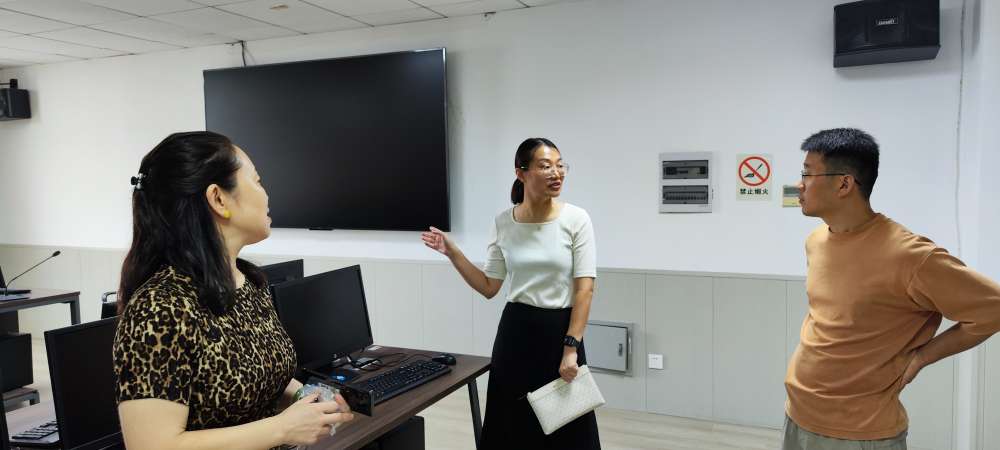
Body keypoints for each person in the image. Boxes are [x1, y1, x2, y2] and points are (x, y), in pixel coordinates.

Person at [113, 131, 354, 450]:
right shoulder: (159, 308)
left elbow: (257, 378)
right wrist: (282, 428)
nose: (266, 194)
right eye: (257, 181)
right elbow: (152, 446)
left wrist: (303, 396)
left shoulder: (248, 282)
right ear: (218, 199)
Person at [783, 128, 1000, 449]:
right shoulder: (816, 241)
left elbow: (993, 309)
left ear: (844, 184)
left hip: (860, 431)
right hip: (798, 413)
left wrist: (922, 357)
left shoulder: (910, 256)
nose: (799, 184)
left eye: (807, 174)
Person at [422, 137, 601, 449]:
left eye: (560, 166)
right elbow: (489, 286)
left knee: (569, 429)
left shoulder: (576, 219)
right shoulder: (504, 222)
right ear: (521, 173)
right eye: (545, 166)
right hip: (516, 333)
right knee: (510, 427)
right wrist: (453, 253)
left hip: (561, 333)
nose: (556, 173)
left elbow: (585, 289)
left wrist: (571, 348)